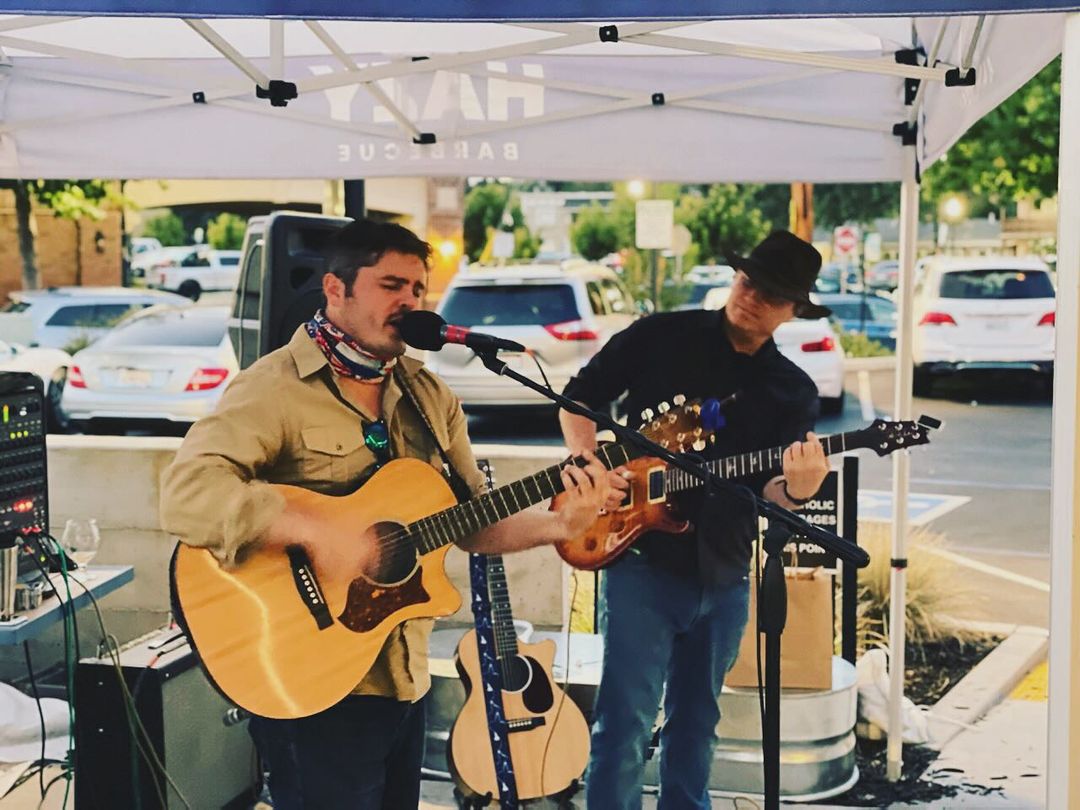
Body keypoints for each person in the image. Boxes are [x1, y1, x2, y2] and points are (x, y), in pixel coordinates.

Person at [159, 218, 620, 810]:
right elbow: (187, 492)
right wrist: (309, 528)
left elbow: (472, 521)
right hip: (312, 675)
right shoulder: (273, 388)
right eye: (391, 285)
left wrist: (562, 525)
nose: (409, 302)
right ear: (336, 289)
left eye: (419, 290)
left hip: (402, 676)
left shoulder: (429, 397)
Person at [559, 230, 833, 810]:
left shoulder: (792, 390)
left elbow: (775, 493)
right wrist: (590, 466)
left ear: (793, 310)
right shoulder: (661, 336)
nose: (752, 296)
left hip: (726, 571)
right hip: (641, 560)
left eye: (772, 293)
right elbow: (580, 396)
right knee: (624, 724)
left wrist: (801, 490)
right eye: (748, 280)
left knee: (697, 724)